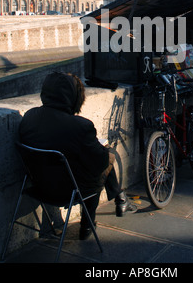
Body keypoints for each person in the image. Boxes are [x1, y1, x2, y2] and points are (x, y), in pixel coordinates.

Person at [18, 71, 137, 240]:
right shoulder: (80, 126)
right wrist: (105, 152)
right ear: (72, 97)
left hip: (37, 187)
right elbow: (100, 164)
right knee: (105, 159)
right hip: (68, 191)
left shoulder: (29, 117)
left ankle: (120, 198)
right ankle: (88, 225)